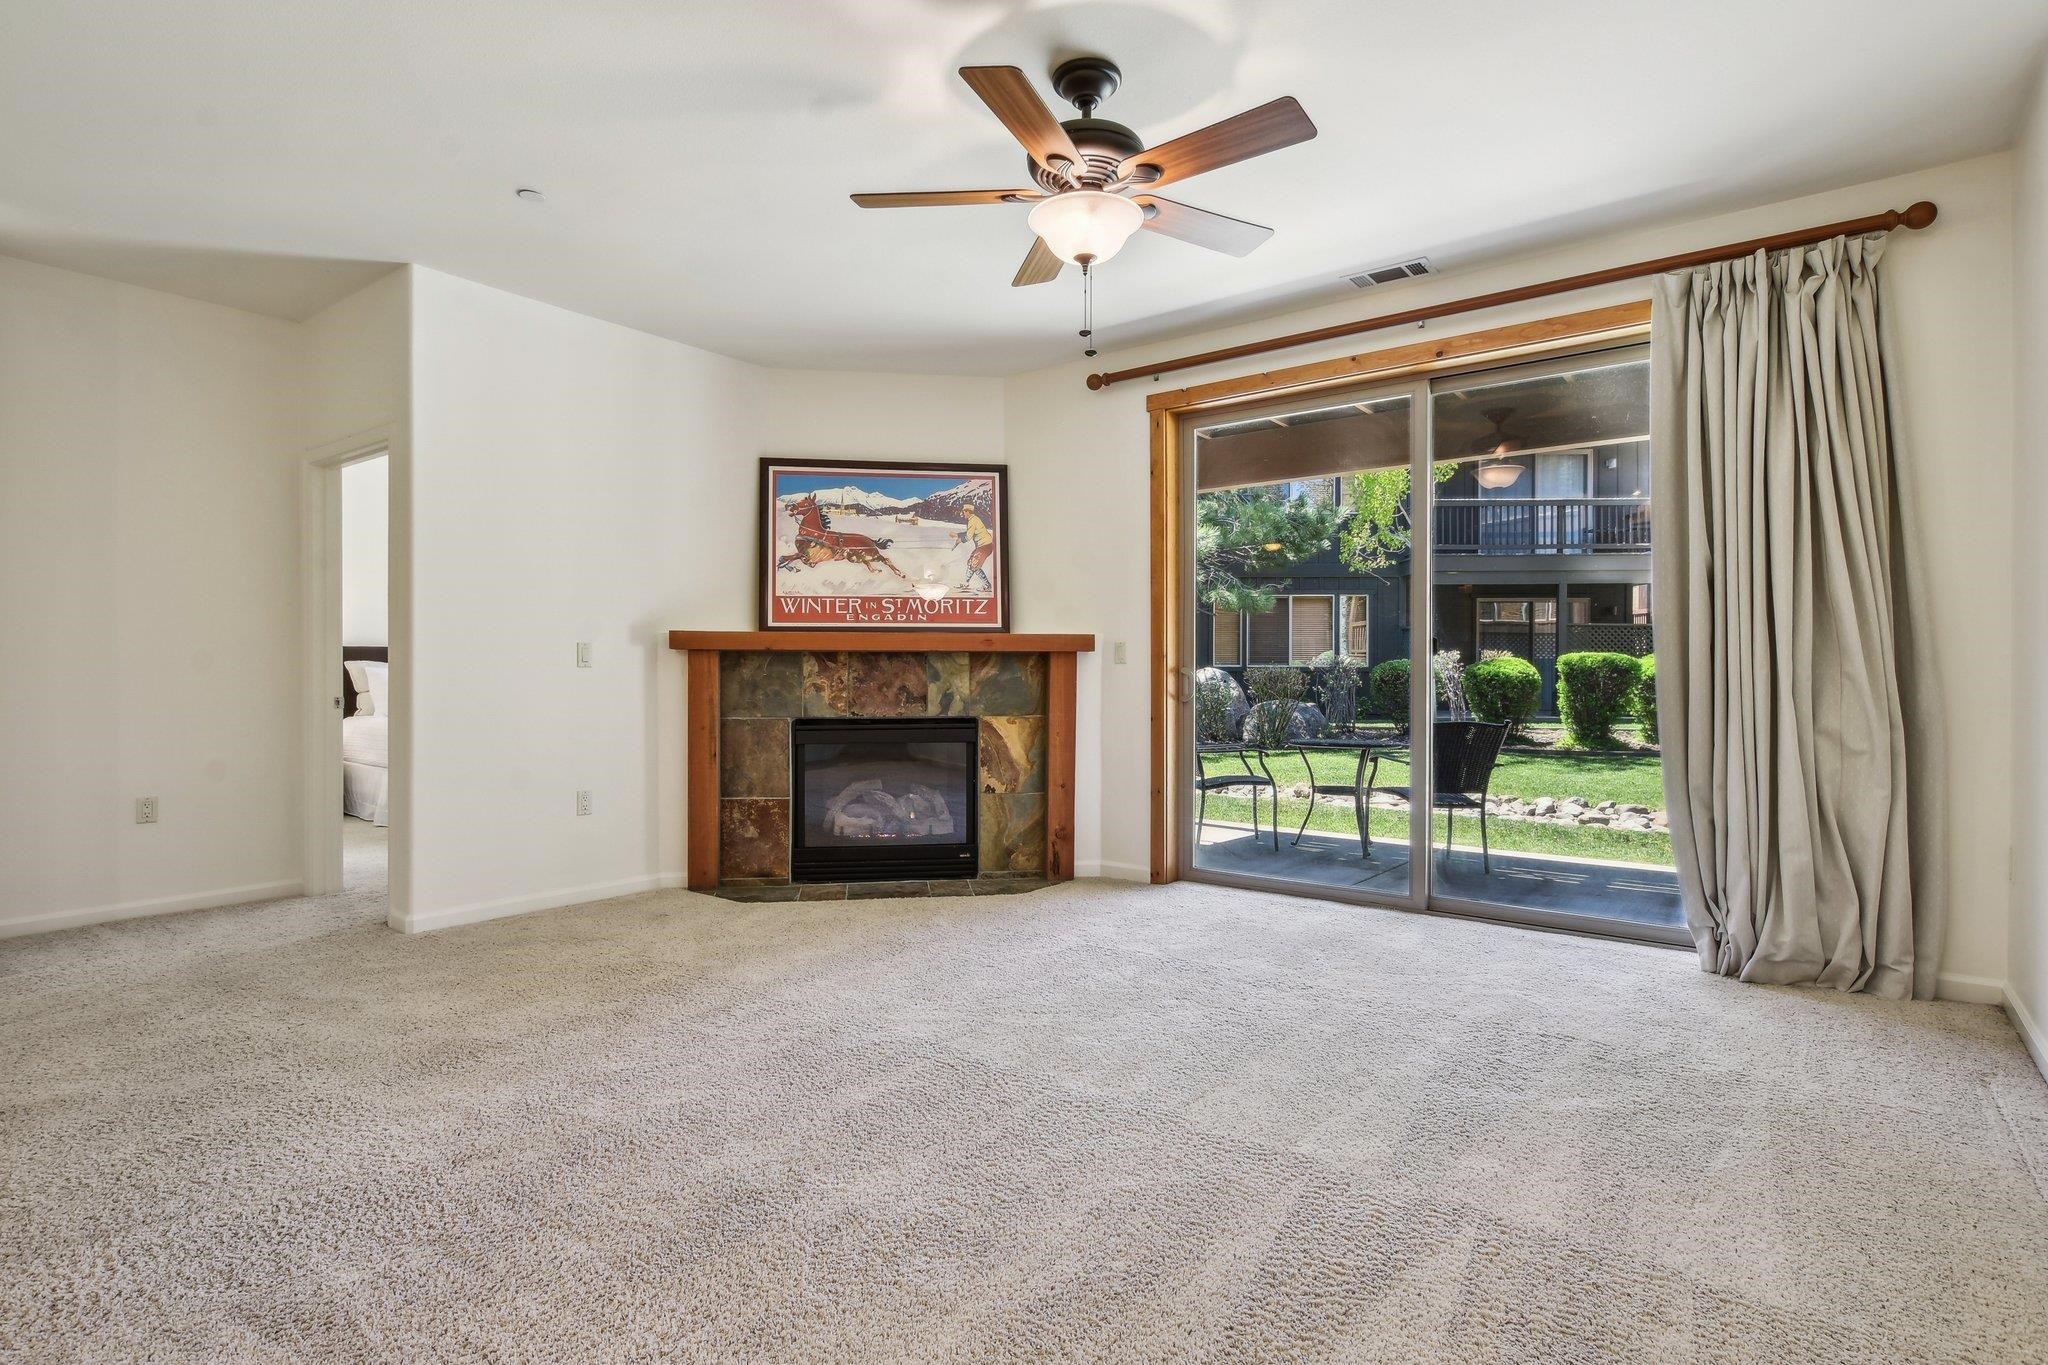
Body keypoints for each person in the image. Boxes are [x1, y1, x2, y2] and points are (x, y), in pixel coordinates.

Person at [954, 505, 995, 594]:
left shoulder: (973, 520)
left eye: (964, 512)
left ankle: (987, 586)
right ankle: (965, 583)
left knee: (975, 566)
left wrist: (959, 539)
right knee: (971, 563)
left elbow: (968, 536)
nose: (963, 514)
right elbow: (969, 532)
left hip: (985, 545)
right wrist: (957, 535)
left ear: (968, 512)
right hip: (984, 545)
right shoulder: (974, 519)